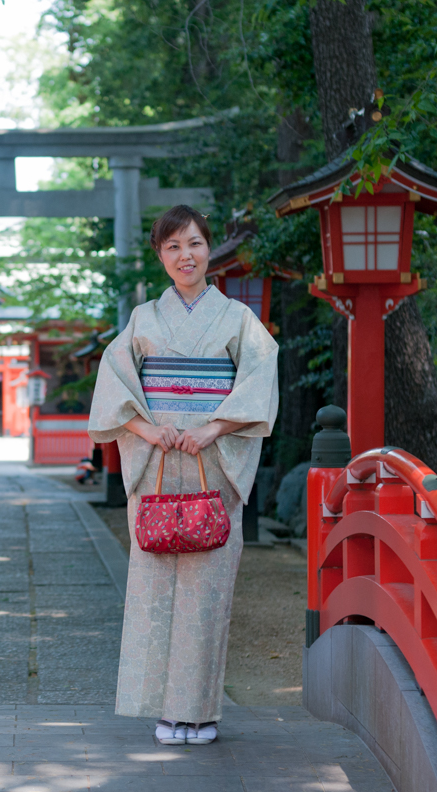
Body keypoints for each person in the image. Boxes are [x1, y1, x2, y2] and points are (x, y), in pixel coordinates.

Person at [88, 204, 278, 747]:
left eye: (193, 243)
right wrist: (150, 433)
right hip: (155, 465)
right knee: (153, 589)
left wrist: (214, 429)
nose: (185, 255)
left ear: (208, 248)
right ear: (160, 257)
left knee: (208, 592)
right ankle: (164, 709)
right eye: (172, 247)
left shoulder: (239, 321)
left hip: (213, 466)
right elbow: (115, 385)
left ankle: (200, 710)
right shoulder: (143, 320)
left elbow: (260, 380)